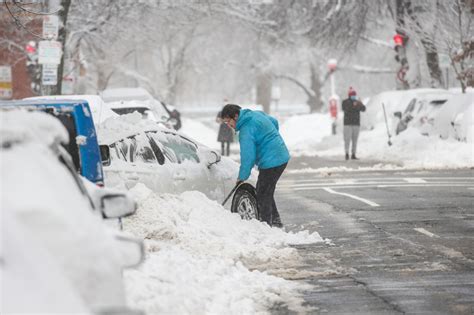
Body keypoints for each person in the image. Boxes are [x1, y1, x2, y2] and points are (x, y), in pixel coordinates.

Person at [220, 104, 290, 228]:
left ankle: (266, 226)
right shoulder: (256, 114)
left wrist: (242, 177)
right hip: (281, 155)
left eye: (228, 121)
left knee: (262, 193)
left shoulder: (246, 131)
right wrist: (271, 137)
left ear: (235, 116)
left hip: (271, 161)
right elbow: (274, 122)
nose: (228, 125)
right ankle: (275, 220)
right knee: (266, 190)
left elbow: (248, 157)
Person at [342, 87, 366, 160]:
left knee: (355, 140)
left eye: (354, 95)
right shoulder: (345, 102)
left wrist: (360, 104)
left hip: (356, 123)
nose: (354, 96)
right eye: (352, 95)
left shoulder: (358, 102)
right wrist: (354, 105)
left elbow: (363, 109)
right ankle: (346, 153)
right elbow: (345, 109)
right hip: (347, 124)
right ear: (349, 95)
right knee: (347, 139)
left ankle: (353, 154)